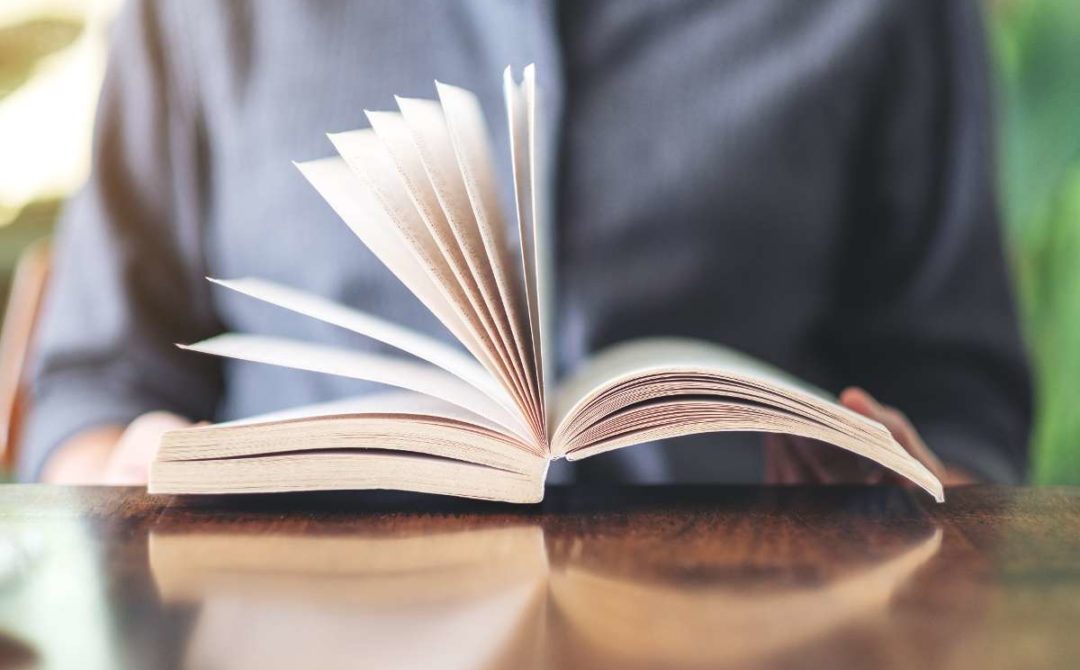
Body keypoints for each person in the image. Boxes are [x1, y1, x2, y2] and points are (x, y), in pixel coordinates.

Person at [23, 0, 1031, 488]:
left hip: (752, 632)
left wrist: (917, 488)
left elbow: (965, 401)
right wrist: (133, 465)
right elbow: (88, 394)